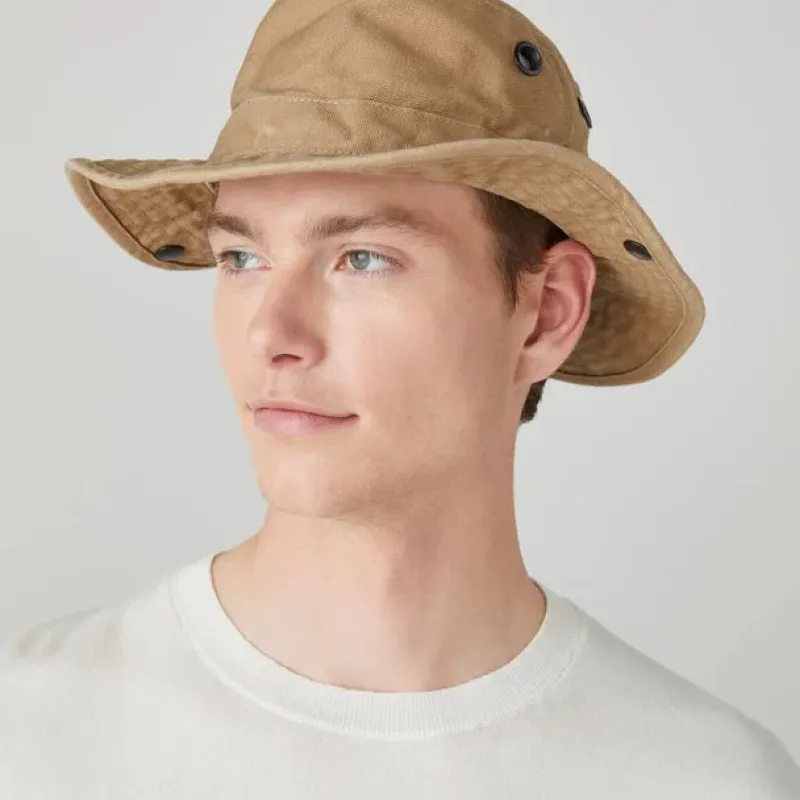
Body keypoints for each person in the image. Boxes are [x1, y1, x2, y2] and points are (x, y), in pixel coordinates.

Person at [1, 0, 798, 796]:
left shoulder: (707, 780)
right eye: (242, 258)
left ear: (548, 312)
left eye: (363, 258)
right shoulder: (34, 735)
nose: (272, 333)